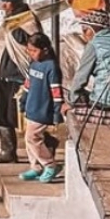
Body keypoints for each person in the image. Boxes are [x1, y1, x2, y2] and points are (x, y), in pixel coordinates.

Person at [0, 0, 39, 163]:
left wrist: (13, 26)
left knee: (15, 116)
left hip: (18, 75)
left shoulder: (26, 20)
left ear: (15, 2)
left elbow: (30, 42)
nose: (3, 5)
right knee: (0, 112)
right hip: (7, 73)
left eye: (7, 2)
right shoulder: (11, 19)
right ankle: (7, 151)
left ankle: (44, 146)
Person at [18, 32, 64, 182]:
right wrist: (23, 101)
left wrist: (57, 113)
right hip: (31, 107)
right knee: (28, 138)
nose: (31, 54)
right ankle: (35, 167)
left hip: (43, 110)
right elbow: (28, 84)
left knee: (33, 138)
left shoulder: (51, 67)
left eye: (34, 51)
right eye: (29, 51)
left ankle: (49, 164)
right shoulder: (33, 64)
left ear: (45, 50)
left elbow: (56, 92)